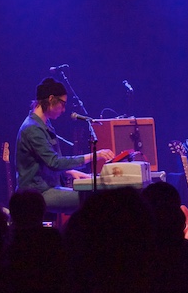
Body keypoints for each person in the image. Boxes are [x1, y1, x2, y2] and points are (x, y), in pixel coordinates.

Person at [15, 77, 114, 213]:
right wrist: (94, 155)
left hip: (45, 188)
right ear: (51, 99)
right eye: (62, 104)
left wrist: (70, 171)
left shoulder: (43, 124)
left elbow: (44, 162)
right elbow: (54, 162)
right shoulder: (33, 128)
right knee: (92, 200)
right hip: (36, 194)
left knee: (93, 196)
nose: (63, 110)